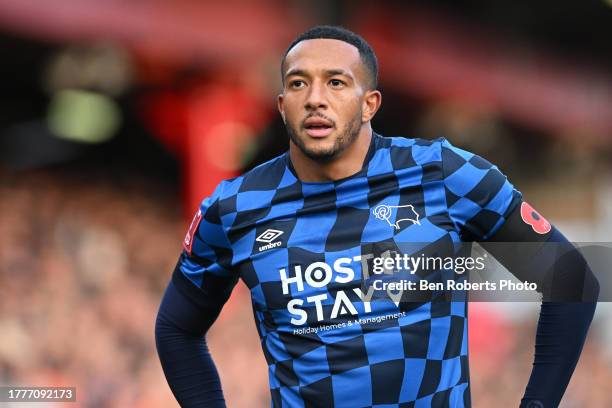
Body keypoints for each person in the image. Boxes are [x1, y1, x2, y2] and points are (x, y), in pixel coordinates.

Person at [155, 26, 598, 407]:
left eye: (336, 83)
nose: (315, 99)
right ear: (281, 104)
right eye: (298, 84)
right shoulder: (236, 208)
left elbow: (571, 278)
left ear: (370, 103)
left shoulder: (444, 175)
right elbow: (177, 329)